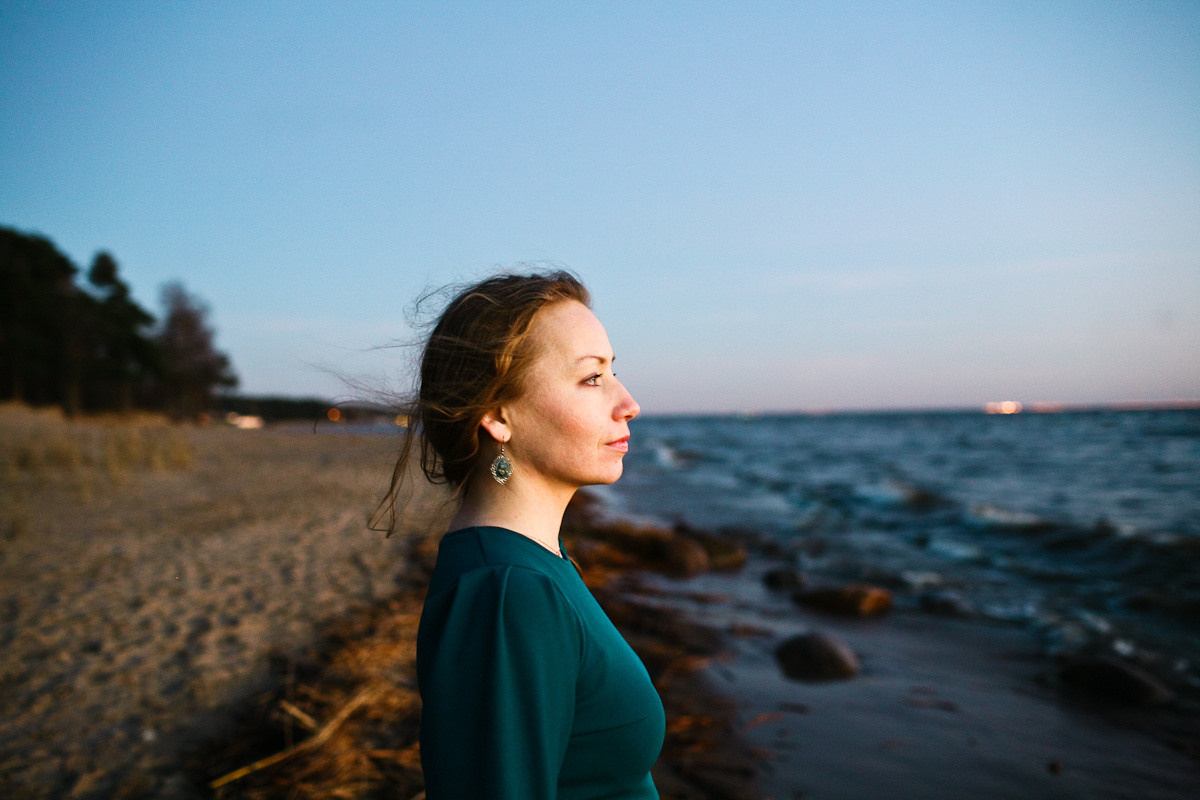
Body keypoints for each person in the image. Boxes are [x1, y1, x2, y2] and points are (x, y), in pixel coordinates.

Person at [375, 270, 665, 799]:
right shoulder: (509, 592)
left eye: (613, 372)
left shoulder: (533, 564)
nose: (629, 403)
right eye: (592, 378)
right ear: (497, 414)